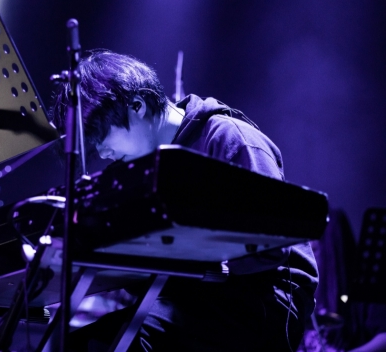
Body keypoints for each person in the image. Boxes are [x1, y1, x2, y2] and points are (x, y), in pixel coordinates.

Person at [51, 51, 319, 351]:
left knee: (123, 344)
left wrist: (187, 259)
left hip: (261, 302)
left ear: (137, 107)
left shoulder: (229, 137)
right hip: (190, 299)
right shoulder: (139, 170)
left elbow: (273, 244)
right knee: (79, 345)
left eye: (101, 139)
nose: (102, 154)